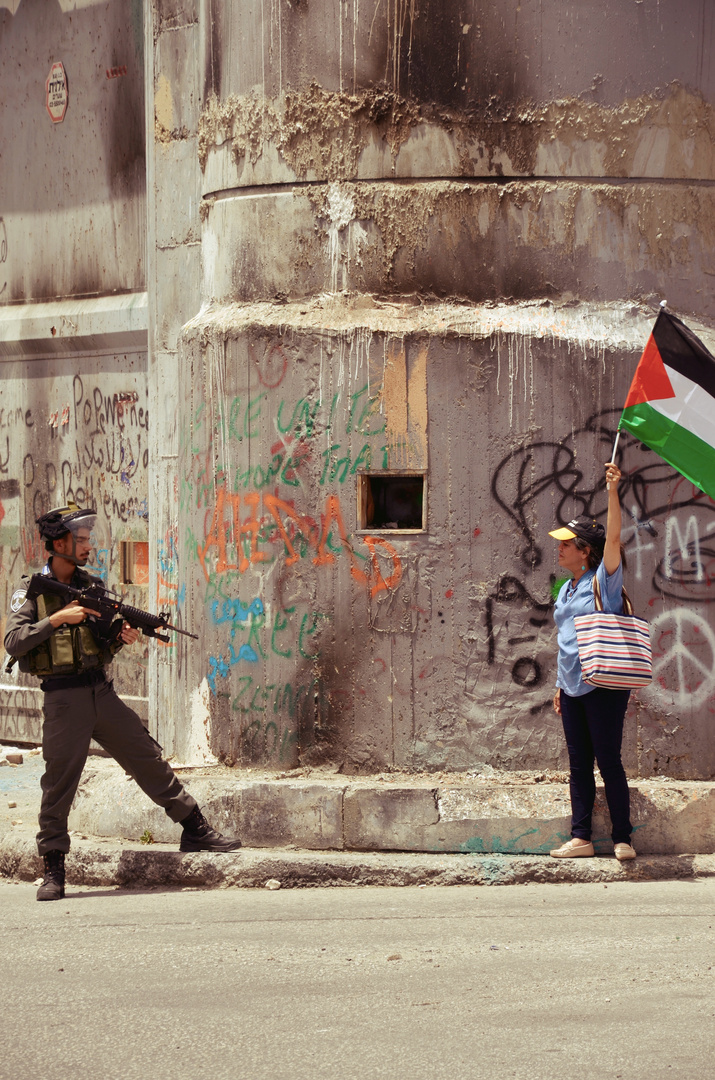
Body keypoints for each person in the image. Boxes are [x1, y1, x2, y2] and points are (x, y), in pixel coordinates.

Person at [4, 503, 242, 902]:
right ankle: (53, 868)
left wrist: (120, 636)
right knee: (59, 783)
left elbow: (102, 643)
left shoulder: (92, 587)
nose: (88, 546)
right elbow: (13, 641)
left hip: (101, 692)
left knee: (146, 757)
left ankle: (195, 828)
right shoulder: (30, 591)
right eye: (81, 540)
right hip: (64, 700)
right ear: (59, 542)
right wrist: (59, 619)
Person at [547, 462, 636, 861]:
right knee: (579, 764)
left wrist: (613, 491)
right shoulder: (566, 589)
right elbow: (565, 640)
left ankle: (623, 838)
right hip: (572, 688)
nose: (559, 547)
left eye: (567, 543)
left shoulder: (604, 580)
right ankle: (580, 837)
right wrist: (558, 686)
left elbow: (614, 538)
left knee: (609, 761)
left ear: (585, 550)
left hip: (603, 686)